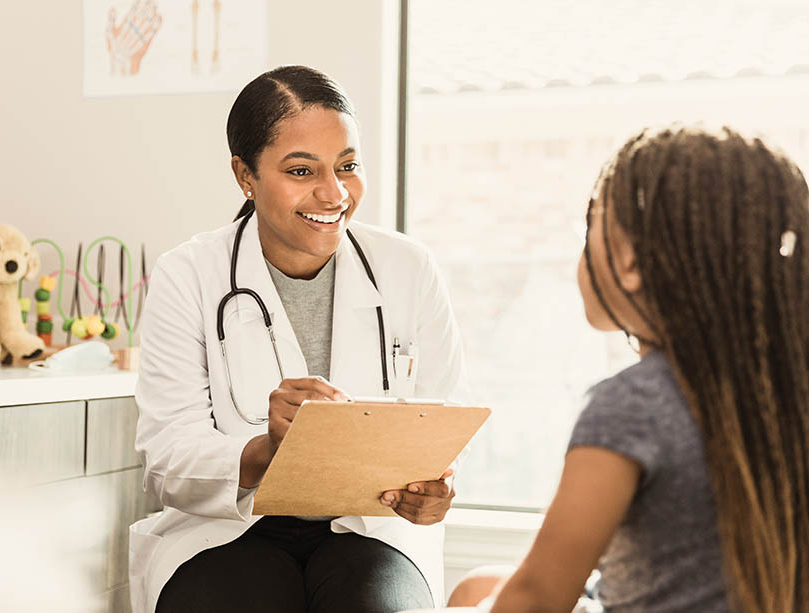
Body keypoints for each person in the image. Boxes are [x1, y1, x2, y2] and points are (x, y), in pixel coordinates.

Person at [128, 65, 470, 613]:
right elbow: (168, 460)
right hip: (229, 529)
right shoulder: (188, 274)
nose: (333, 193)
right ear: (245, 175)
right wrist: (267, 451)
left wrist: (435, 493)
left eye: (348, 166)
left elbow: (443, 428)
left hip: (370, 528)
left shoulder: (408, 268)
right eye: (301, 169)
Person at [450, 125, 809, 612]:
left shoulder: (634, 405)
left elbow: (537, 597)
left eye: (589, 233)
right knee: (477, 585)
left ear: (631, 262)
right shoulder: (780, 380)